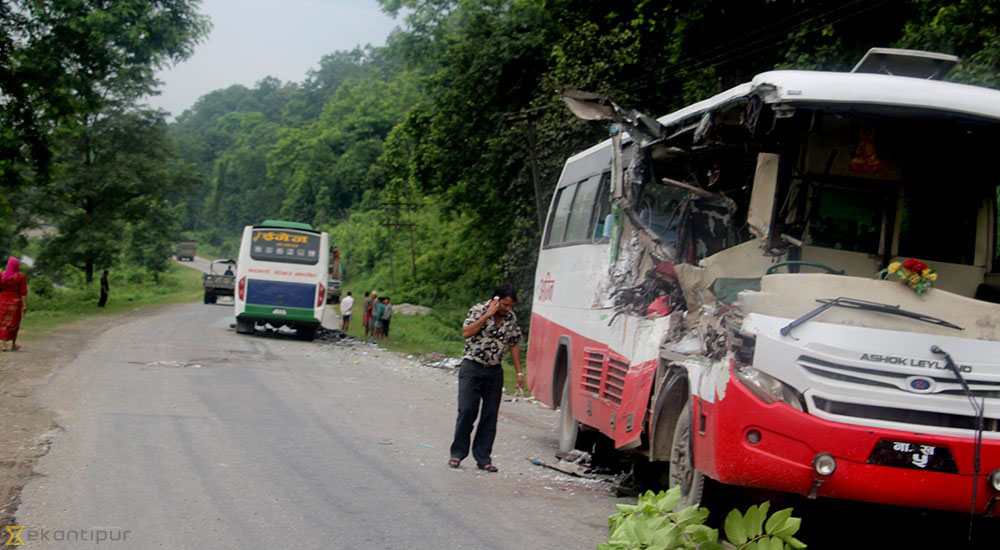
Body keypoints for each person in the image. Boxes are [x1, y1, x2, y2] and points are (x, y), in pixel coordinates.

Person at [448, 284, 524, 472]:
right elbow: (466, 332)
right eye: (505, 304)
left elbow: (514, 344)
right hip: (472, 367)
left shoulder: (511, 318)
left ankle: (483, 458)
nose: (508, 309)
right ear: (496, 300)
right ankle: (457, 453)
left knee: (490, 415)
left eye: (511, 306)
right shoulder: (478, 310)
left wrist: (519, 372)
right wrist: (487, 315)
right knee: (467, 410)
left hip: (494, 371)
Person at [0, 257, 28, 352]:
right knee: (14, 323)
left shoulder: (2, 276)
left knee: (3, 322)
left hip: (2, 301)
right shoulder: (20, 277)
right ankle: (13, 345)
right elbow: (23, 293)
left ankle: (4, 345)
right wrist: (24, 305)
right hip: (15, 303)